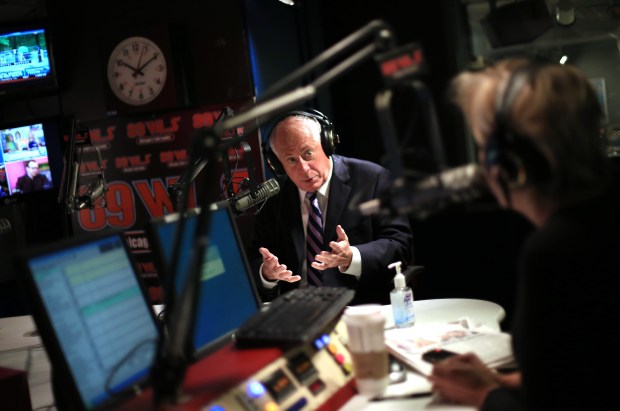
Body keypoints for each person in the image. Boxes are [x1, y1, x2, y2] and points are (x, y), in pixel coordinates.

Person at [428, 58, 620, 410]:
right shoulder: (603, 218)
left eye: (484, 147)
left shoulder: (556, 251)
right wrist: (506, 381)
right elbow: (591, 372)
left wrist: (485, 396)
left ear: (513, 162)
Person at [249, 109, 413, 305]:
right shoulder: (274, 198)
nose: (303, 168)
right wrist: (267, 274)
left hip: (358, 307)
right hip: (297, 311)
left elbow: (399, 245)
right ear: (276, 164)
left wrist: (352, 257)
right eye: (291, 160)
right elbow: (254, 259)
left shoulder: (373, 179)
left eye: (308, 153)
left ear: (327, 144)